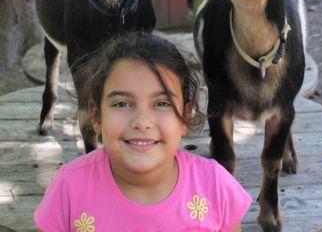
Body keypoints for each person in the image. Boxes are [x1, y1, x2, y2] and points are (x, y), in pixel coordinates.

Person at [34, 32, 252, 232]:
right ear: (96, 115)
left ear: (185, 115)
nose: (142, 122)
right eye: (121, 104)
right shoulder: (68, 190)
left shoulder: (216, 187)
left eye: (161, 103)